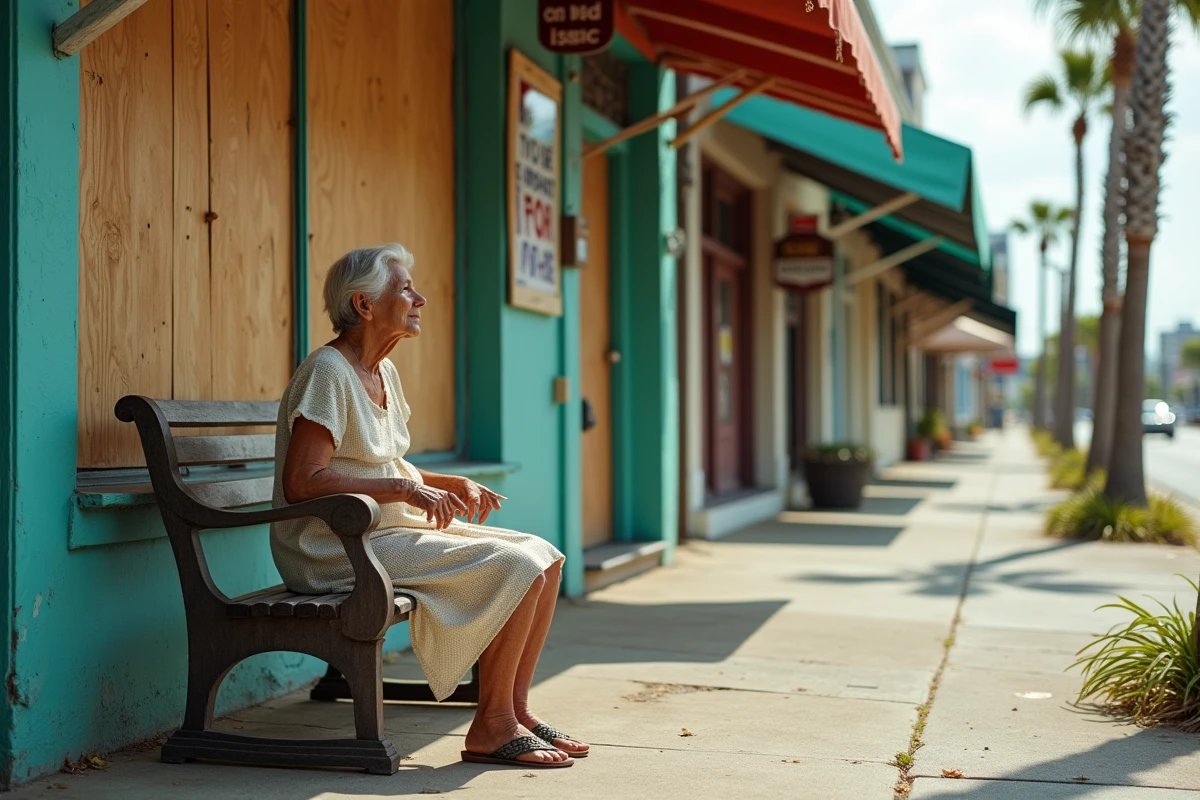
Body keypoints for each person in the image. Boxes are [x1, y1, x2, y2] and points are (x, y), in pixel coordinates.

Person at [271, 244, 587, 768]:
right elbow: (303, 481)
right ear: (364, 305)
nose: (419, 298)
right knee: (517, 564)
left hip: (383, 534)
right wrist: (405, 491)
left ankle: (514, 711)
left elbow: (382, 462)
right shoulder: (327, 371)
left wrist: (446, 481)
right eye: (404, 289)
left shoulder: (383, 373)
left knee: (545, 558)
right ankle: (490, 728)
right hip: (334, 548)